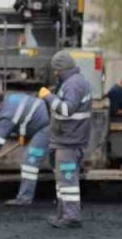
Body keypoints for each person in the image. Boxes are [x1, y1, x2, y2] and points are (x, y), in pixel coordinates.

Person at [38, 50, 93, 229]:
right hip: (67, 139)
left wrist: (47, 96)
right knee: (63, 179)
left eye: (56, 70)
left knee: (67, 179)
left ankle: (70, 216)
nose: (54, 74)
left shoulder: (73, 84)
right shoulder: (72, 82)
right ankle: (63, 214)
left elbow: (66, 109)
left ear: (61, 69)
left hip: (69, 141)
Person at [0, 92, 51, 207]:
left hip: (46, 127)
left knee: (29, 162)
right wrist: (25, 133)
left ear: (0, 105)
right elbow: (25, 114)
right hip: (47, 119)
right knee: (54, 160)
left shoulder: (7, 115)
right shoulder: (10, 98)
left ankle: (24, 199)